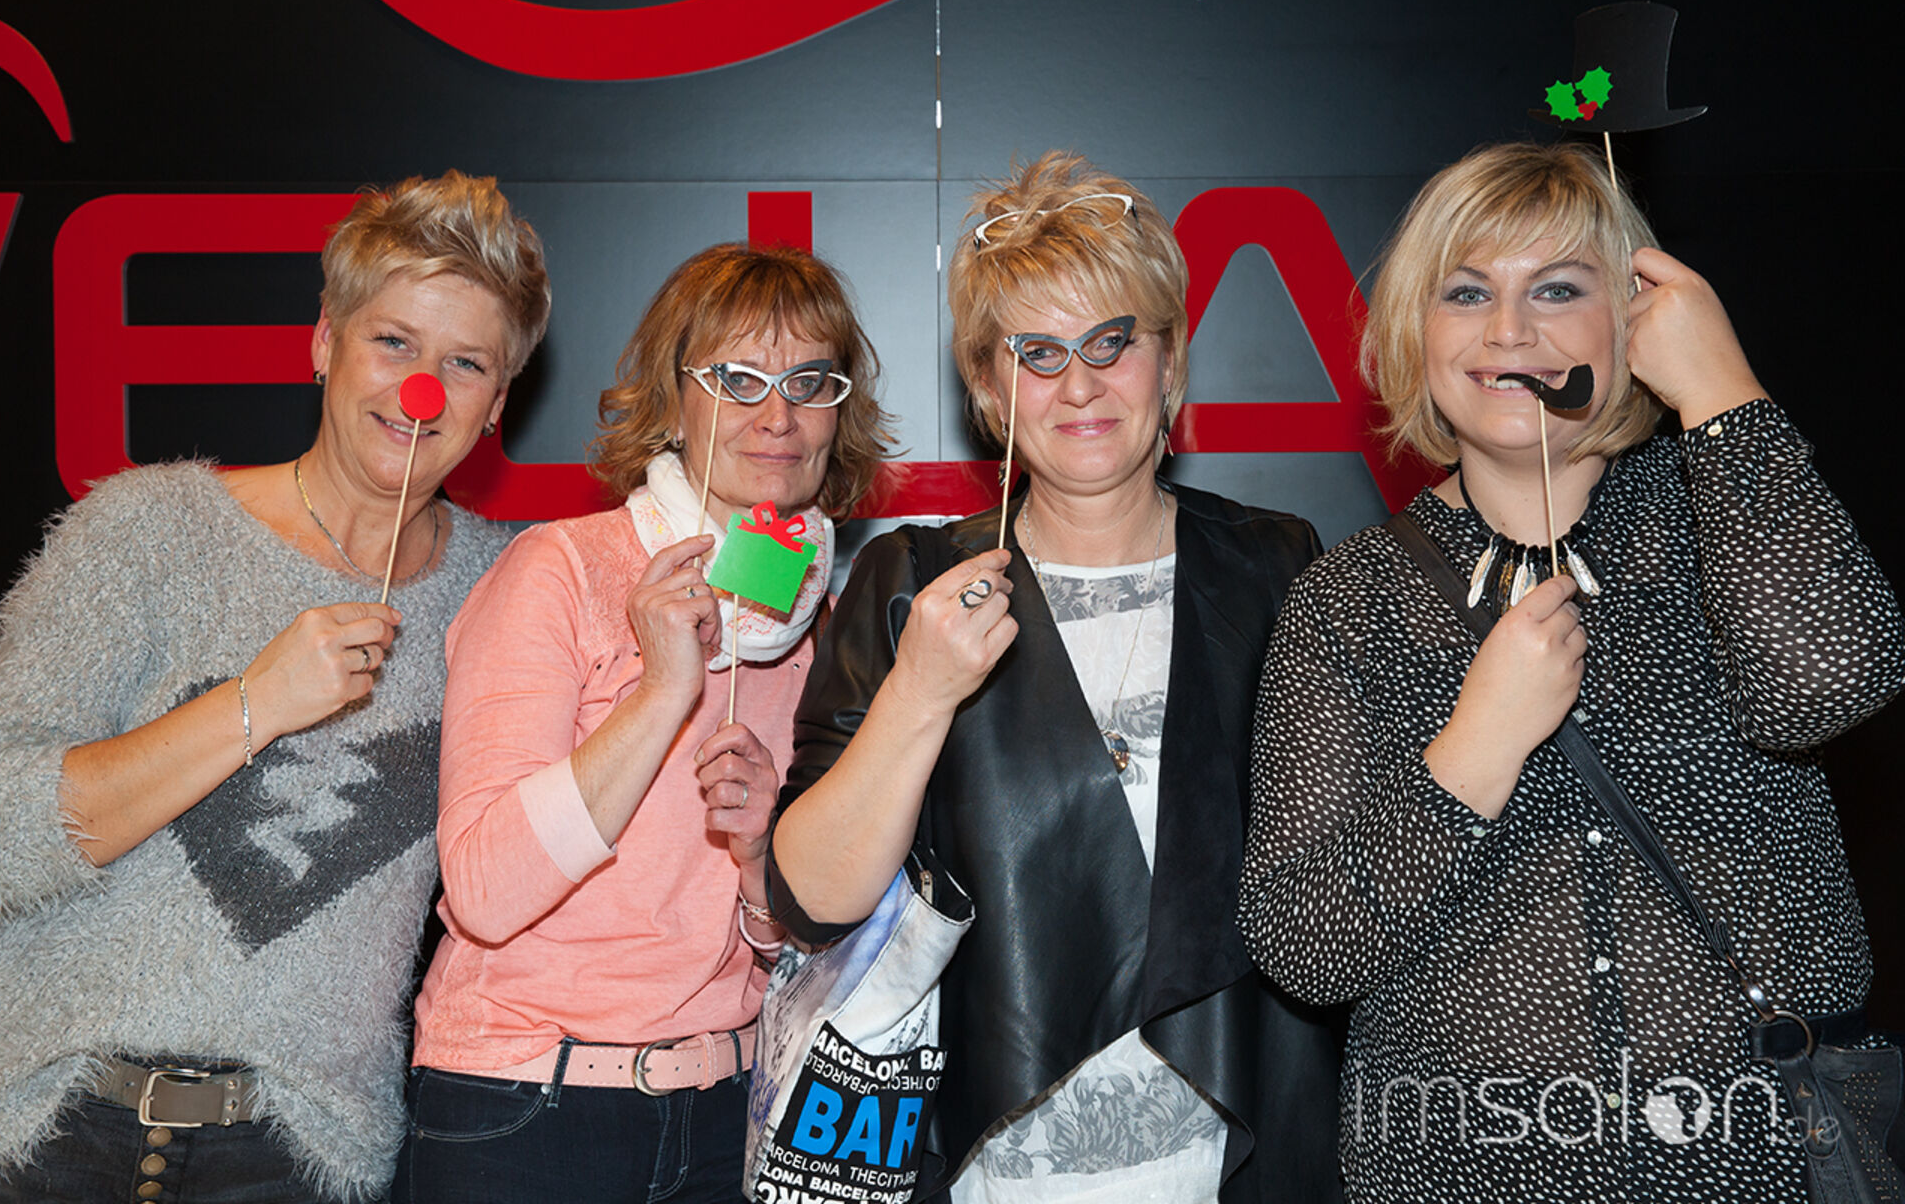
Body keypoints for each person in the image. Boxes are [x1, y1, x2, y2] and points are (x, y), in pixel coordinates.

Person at [1238, 141, 1905, 1201]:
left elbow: (1831, 681)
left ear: (1631, 320)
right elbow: (1303, 945)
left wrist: (1722, 392)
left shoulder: (1720, 511)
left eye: (1557, 288)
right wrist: (1478, 746)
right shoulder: (1350, 599)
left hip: (1759, 1158)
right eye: (1468, 293)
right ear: (1417, 332)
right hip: (1460, 1165)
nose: (1510, 330)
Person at [770, 152, 1343, 1203]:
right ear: (991, 388)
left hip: (1238, 1156)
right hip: (1000, 1166)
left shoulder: (1277, 564)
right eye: (1037, 353)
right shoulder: (912, 583)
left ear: (1170, 361)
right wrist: (920, 692)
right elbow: (811, 896)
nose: (1079, 384)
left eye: (1111, 341)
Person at [0, 171, 551, 1203]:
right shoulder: (150, 530)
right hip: (54, 1132)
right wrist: (253, 704)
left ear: (496, 404)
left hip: (297, 1155)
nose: (421, 391)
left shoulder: (510, 591)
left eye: (464, 363)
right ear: (325, 342)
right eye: (393, 342)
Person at [392, 243, 892, 1203]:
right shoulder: (562, 570)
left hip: (731, 1111)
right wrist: (663, 692)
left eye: (809, 382)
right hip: (525, 1107)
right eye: (738, 380)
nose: (778, 416)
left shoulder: (821, 624)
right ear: (674, 399)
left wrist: (759, 858)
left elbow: (797, 951)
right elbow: (486, 891)